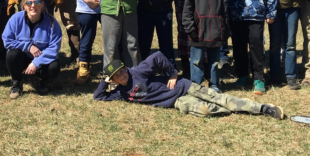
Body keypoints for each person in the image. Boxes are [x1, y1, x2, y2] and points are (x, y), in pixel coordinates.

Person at [94, 53, 284, 120]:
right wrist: (104, 82)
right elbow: (99, 97)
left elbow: (158, 56)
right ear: (114, 80)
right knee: (204, 110)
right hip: (177, 101)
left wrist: (173, 74)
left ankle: (262, 108)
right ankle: (230, 110)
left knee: (221, 98)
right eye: (117, 76)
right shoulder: (120, 93)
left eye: (122, 70)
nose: (122, 75)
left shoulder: (138, 72)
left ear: (125, 68)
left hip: (184, 87)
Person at [182, 0, 230, 93]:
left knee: (215, 61)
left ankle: (215, 85)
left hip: (216, 30)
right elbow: (188, 8)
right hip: (198, 30)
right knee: (196, 61)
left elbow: (224, 8)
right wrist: (190, 27)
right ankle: (195, 86)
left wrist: (225, 27)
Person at [3, 0, 62, 99]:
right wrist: (28, 46)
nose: (33, 6)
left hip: (40, 59)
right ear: (24, 6)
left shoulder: (52, 22)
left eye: (37, 3)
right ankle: (17, 83)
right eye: (29, 3)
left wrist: (36, 63)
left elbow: (54, 47)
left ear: (42, 5)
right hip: (22, 57)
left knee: (55, 67)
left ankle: (38, 79)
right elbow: (7, 40)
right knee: (12, 55)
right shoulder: (15, 19)